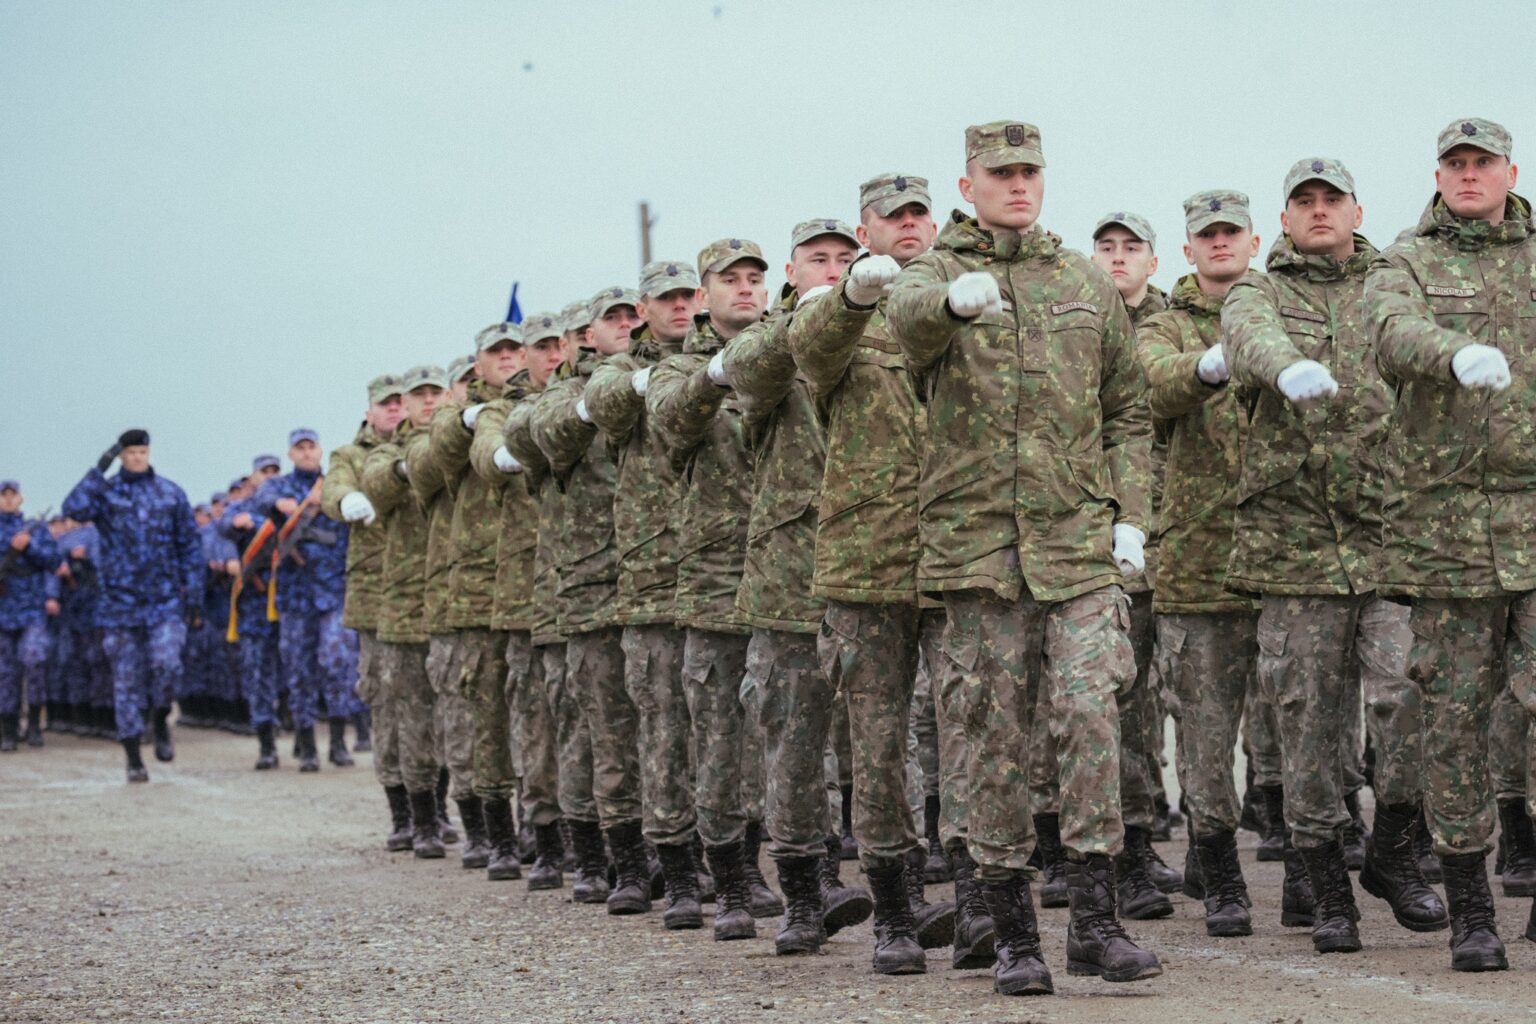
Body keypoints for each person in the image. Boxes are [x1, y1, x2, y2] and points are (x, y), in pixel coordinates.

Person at [887, 120, 1159, 995]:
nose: (1018, 185)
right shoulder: (936, 274)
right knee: (989, 738)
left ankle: (1095, 922)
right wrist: (951, 304)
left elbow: (1129, 409)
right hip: (977, 555)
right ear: (966, 186)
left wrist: (1132, 515)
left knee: (1089, 718)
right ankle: (1012, 935)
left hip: (1077, 548)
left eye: (1029, 171)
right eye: (999, 173)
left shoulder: (1082, 279)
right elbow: (905, 319)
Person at [1226, 157, 1448, 955]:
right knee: (1309, 725)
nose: (1318, 212)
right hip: (1296, 544)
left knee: (1412, 693)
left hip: (1390, 534)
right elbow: (1246, 337)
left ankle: (1393, 843)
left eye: (1332, 200)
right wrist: (1285, 367)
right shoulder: (1260, 290)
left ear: (1358, 209)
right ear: (1283, 219)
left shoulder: (1393, 282)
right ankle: (1325, 888)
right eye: (1303, 202)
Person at [1365, 117, 1534, 971]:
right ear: (1438, 174)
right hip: (1449, 533)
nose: (1469, 177)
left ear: (1510, 171)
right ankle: (1472, 910)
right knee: (1456, 719)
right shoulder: (1408, 259)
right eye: (1455, 165)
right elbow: (1388, 332)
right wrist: (1452, 350)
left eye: (1483, 164)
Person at [1135, 191, 1268, 936]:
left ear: (1254, 241)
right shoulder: (1161, 324)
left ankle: (1318, 863)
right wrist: (1210, 367)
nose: (1219, 244)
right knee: (1207, 732)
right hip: (1197, 558)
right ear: (1187, 250)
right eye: (1205, 235)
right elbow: (1157, 385)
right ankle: (1219, 868)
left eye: (1230, 233)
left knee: (1300, 721)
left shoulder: (1282, 311)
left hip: (1289, 553)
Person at [581, 260, 716, 927]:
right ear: (642, 310)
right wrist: (655, 379)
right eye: (667, 299)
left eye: (690, 295)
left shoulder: (719, 355)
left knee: (723, 737)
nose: (682, 307)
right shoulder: (617, 373)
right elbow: (599, 406)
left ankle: (731, 865)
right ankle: (656, 870)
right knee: (658, 734)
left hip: (719, 575)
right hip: (655, 583)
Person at [646, 238, 773, 941]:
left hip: (789, 577)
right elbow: (671, 424)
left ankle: (763, 868)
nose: (746, 289)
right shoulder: (677, 372)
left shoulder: (790, 356)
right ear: (705, 294)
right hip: (715, 581)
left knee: (779, 740)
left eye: (756, 278)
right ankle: (721, 881)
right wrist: (716, 377)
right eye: (732, 280)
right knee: (719, 740)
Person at [532, 287, 652, 913]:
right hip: (593, 590)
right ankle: (608, 860)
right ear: (585, 335)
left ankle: (666, 855)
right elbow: (541, 436)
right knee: (602, 735)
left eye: (636, 312)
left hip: (660, 581)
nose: (630, 323)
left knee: (664, 734)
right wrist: (599, 400)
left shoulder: (661, 376)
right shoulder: (561, 397)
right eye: (615, 317)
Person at [422, 323, 536, 876]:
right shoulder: (452, 423)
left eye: (517, 350)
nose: (508, 359)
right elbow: (430, 459)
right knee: (483, 717)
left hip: (532, 586)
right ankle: (494, 833)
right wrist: (470, 416)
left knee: (537, 715)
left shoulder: (540, 402)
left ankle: (543, 825)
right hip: (474, 593)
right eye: (496, 354)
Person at [503, 310, 610, 900]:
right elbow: (516, 441)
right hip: (558, 596)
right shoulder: (537, 410)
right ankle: (557, 841)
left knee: (632, 734)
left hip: (636, 586)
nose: (548, 355)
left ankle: (635, 847)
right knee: (559, 731)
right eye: (540, 346)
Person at [62, 430, 202, 782]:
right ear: (122, 455)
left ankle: (161, 715)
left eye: (142, 451)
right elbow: (73, 508)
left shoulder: (170, 493)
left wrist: (193, 592)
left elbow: (190, 544)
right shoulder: (106, 494)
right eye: (130, 452)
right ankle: (133, 756)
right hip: (120, 605)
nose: (138, 457)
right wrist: (100, 466)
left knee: (167, 664)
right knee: (125, 681)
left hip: (164, 600)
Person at [362, 367, 450, 856]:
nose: (430, 402)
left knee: (451, 718)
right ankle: (418, 821)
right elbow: (378, 483)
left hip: (454, 598)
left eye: (437, 392)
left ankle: (444, 808)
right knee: (410, 716)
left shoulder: (462, 442)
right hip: (405, 605)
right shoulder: (386, 454)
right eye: (419, 396)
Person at [325, 373, 409, 845]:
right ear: (369, 411)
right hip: (376, 598)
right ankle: (401, 811)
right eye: (387, 404)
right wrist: (346, 499)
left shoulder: (421, 448)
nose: (395, 411)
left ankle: (433, 808)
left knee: (428, 707)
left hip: (422, 592)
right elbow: (331, 489)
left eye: (401, 403)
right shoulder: (349, 456)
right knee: (386, 702)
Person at [252, 429, 355, 771]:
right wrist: (279, 505)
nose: (307, 453)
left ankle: (339, 740)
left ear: (320, 450)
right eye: (300, 448)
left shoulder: (334, 482)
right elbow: (260, 498)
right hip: (296, 597)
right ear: (291, 454)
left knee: (337, 660)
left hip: (333, 591)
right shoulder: (279, 486)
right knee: (299, 671)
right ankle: (307, 744)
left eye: (312, 447)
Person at [0, 480, 60, 751]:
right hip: (3, 611)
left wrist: (29, 547)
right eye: (4, 496)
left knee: (35, 661)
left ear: (21, 499)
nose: (9, 500)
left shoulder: (36, 530)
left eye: (13, 495)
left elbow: (54, 562)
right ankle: (8, 730)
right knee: (5, 673)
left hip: (32, 609)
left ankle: (34, 723)